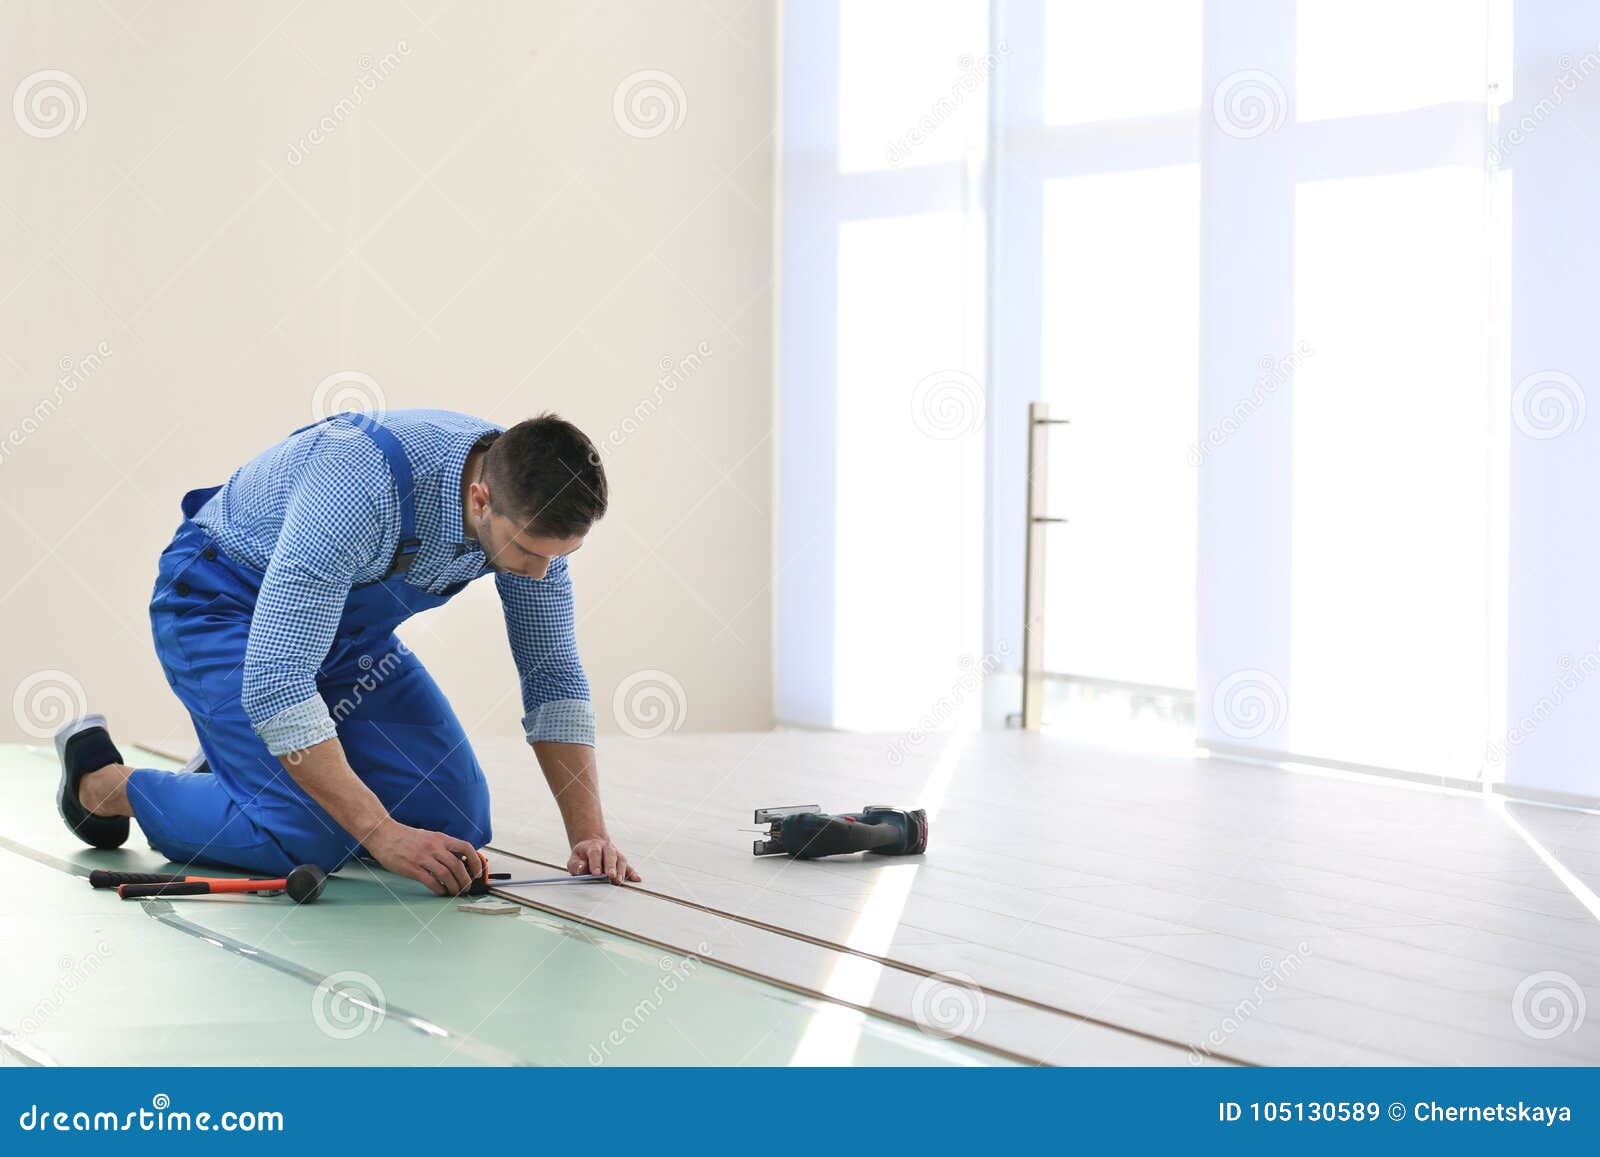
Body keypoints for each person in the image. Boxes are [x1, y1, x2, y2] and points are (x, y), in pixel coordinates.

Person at [54, 407, 639, 895]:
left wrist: (589, 836)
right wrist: (381, 834)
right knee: (307, 838)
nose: (541, 576)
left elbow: (553, 675)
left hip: (344, 641)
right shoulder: (360, 487)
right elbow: (278, 680)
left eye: (559, 557)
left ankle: (255, 768)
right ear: (481, 500)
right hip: (221, 610)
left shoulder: (527, 507)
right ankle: (104, 782)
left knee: (452, 817)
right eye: (530, 554)